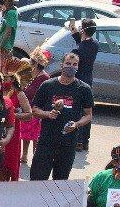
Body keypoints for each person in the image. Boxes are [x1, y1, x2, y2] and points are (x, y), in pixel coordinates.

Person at [29, 51, 93, 180]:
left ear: (78, 67)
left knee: (60, 182)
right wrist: (47, 114)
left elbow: (88, 115)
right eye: (68, 63)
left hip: (68, 144)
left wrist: (76, 124)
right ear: (62, 65)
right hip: (46, 141)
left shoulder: (84, 89)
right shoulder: (48, 85)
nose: (71, 67)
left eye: (74, 64)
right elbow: (34, 109)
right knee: (37, 180)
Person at [66, 18, 98, 151]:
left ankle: (78, 141)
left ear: (83, 30)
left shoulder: (77, 50)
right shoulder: (95, 44)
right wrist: (74, 32)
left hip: (79, 80)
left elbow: (79, 47)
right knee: (87, 110)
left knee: (78, 110)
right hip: (88, 80)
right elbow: (83, 42)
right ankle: (85, 141)